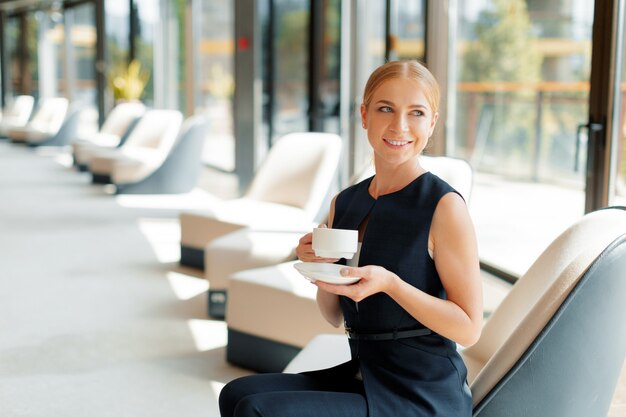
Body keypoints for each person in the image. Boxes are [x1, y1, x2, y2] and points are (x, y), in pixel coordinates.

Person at [219, 60, 483, 417]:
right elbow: (333, 316)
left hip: (422, 393)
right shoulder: (345, 202)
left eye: (416, 113)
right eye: (385, 108)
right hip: (365, 373)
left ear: (432, 122)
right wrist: (321, 267)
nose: (400, 126)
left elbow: (469, 329)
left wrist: (391, 284)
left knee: (258, 410)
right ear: (364, 115)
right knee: (236, 394)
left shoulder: (444, 206)